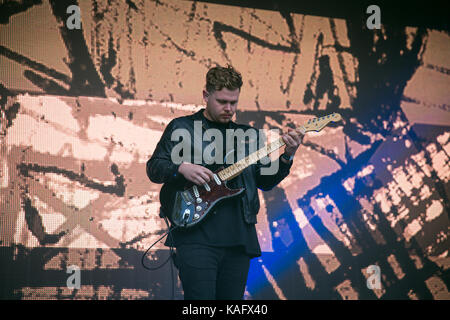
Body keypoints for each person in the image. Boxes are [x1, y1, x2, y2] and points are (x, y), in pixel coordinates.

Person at [146, 65, 303, 300]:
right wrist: (181, 168)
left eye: (234, 102)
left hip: (238, 238)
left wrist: (287, 155)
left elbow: (266, 181)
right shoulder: (182, 127)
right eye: (222, 101)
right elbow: (154, 168)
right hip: (195, 235)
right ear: (205, 96)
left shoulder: (249, 135)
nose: (229, 108)